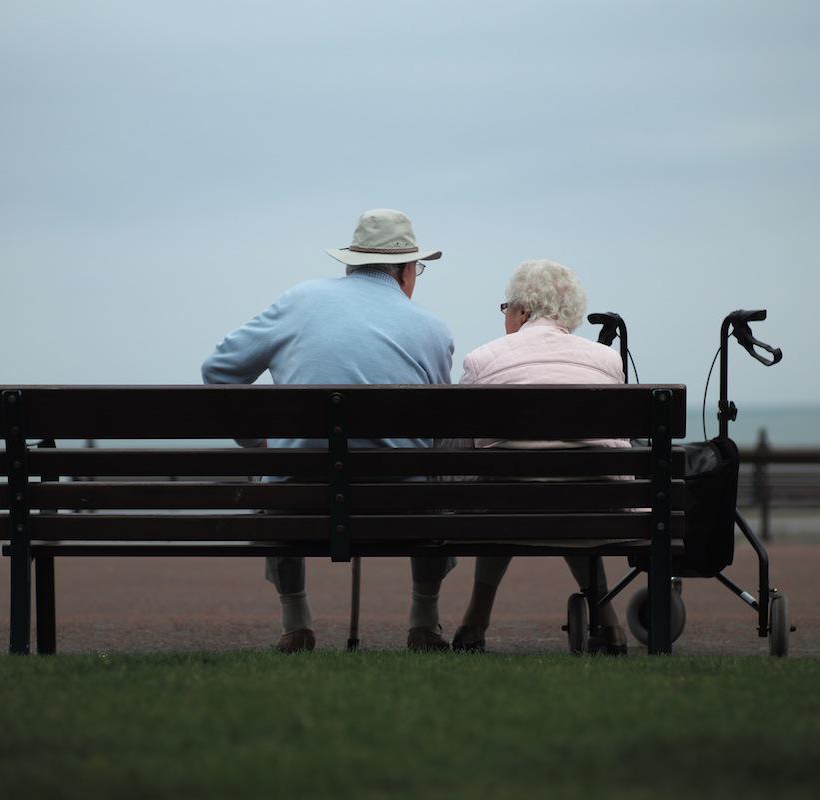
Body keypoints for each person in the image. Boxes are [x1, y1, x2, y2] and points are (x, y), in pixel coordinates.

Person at [200, 209, 456, 653]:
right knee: (433, 476)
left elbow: (218, 371)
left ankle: (296, 621)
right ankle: (423, 620)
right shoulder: (433, 329)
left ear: (349, 263)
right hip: (401, 505)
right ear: (404, 270)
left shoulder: (301, 300)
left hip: (299, 500)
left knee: (278, 469)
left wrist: (257, 443)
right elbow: (438, 429)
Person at [450, 259, 630, 654]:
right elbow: (618, 447)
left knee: (504, 490)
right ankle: (610, 624)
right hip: (593, 510)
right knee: (572, 494)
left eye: (506, 309)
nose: (505, 318)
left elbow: (462, 449)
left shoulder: (482, 360)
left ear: (524, 311)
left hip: (504, 510)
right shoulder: (607, 361)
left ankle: (474, 622)